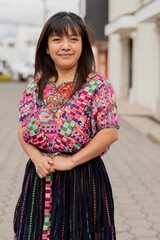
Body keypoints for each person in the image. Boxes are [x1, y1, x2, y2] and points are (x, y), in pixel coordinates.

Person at [13, 11, 119, 240]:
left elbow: (109, 131)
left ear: (82, 46)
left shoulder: (97, 85)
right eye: (57, 39)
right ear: (46, 47)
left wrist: (71, 161)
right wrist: (36, 158)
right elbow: (23, 130)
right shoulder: (34, 88)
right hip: (39, 179)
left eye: (73, 39)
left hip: (83, 179)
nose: (66, 46)